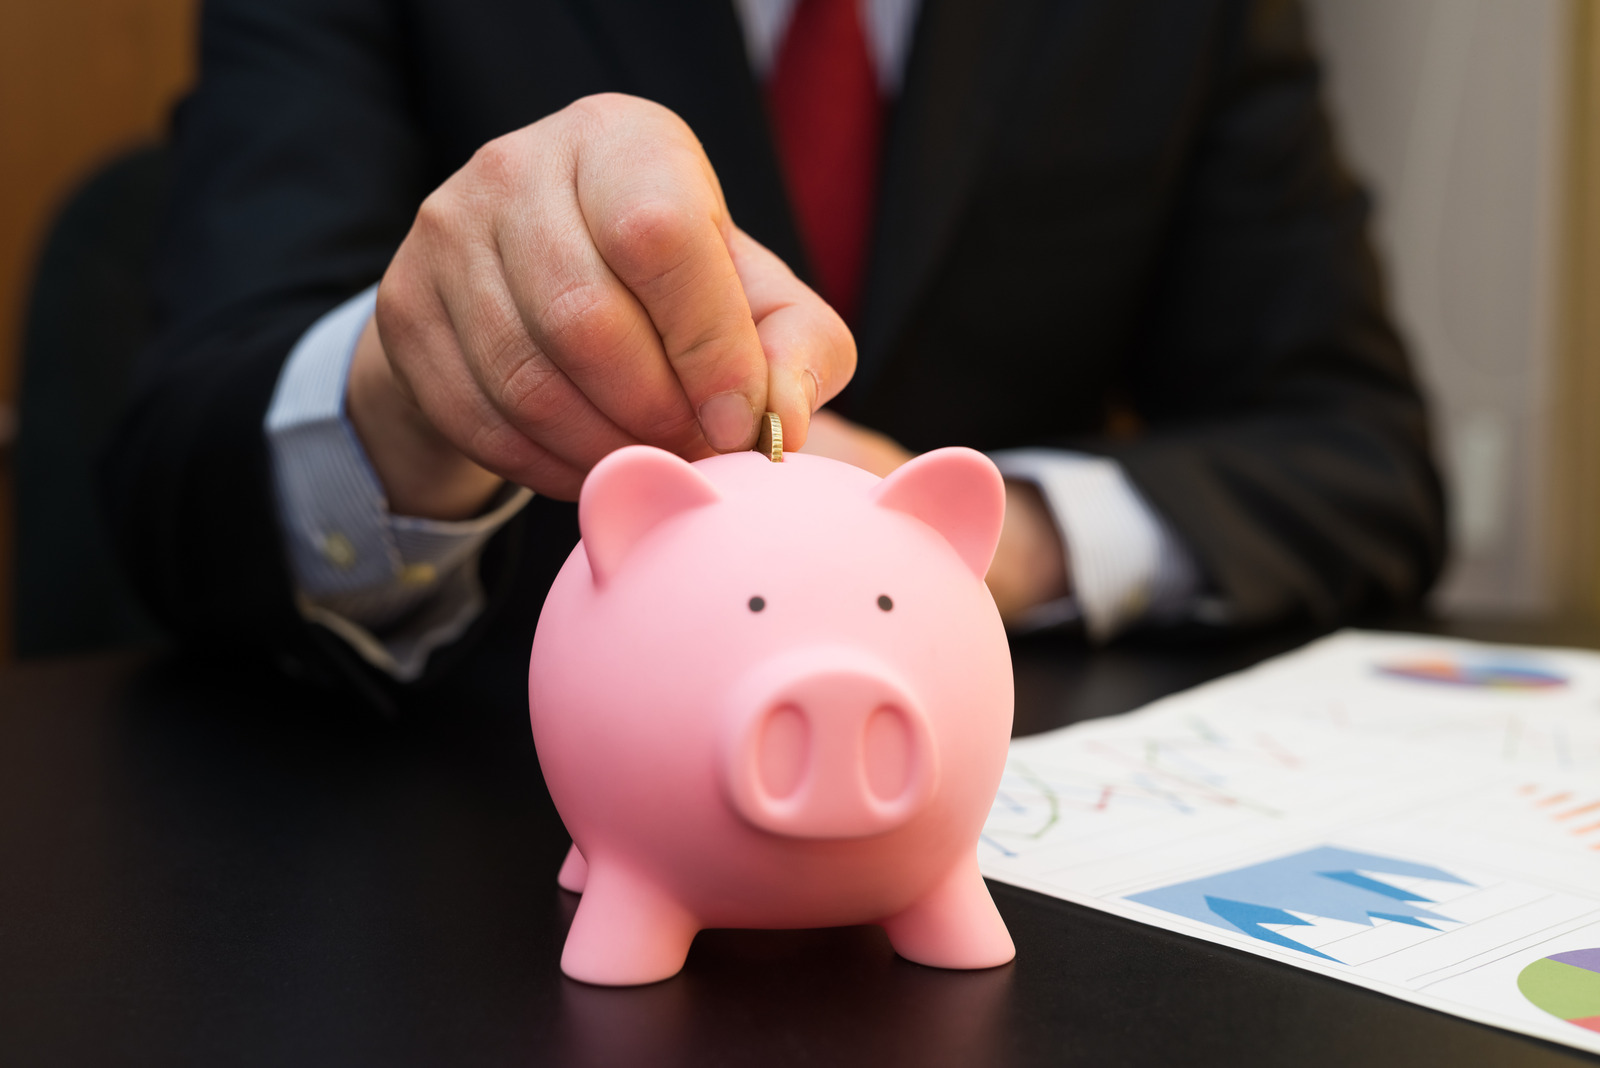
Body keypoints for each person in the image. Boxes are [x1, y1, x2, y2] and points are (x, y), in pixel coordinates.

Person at [103, 0, 1446, 705]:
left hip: (996, 810)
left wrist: (993, 534)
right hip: (454, 819)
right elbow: (174, 458)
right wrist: (413, 402)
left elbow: (1362, 455)